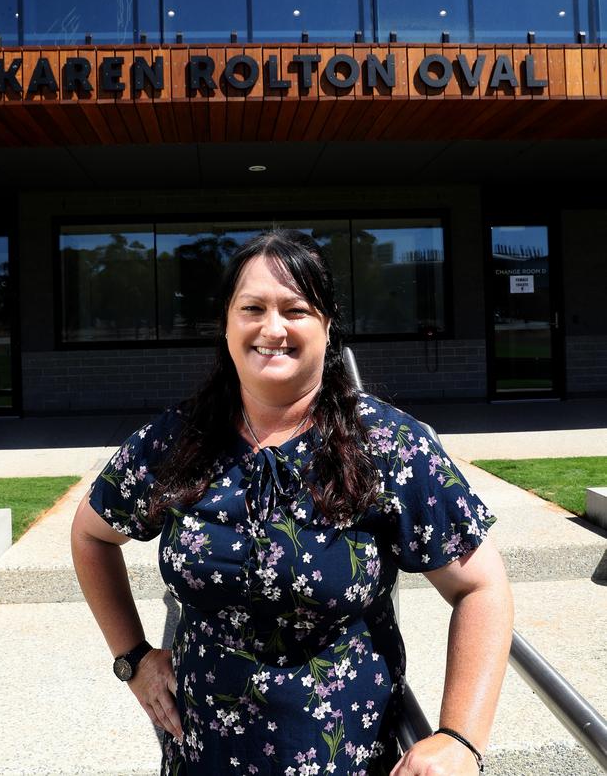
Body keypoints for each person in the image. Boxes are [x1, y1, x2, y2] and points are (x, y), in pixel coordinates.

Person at [71, 228, 513, 776]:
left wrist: (459, 737)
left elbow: (481, 587)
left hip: (345, 758)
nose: (272, 328)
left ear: (328, 326)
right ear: (227, 327)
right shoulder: (178, 440)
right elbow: (91, 532)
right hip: (201, 757)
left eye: (296, 309)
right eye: (252, 308)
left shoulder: (389, 445)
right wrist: (133, 656)